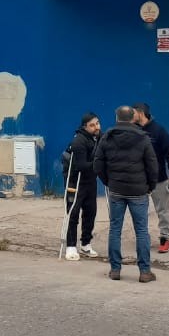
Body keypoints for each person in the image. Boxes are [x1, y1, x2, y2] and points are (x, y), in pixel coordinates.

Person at [93, 105, 159, 282]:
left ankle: (115, 270)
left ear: (117, 118)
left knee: (115, 229)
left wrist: (108, 181)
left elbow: (98, 163)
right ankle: (144, 271)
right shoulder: (143, 138)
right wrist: (150, 186)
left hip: (116, 190)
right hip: (138, 191)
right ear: (133, 118)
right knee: (142, 231)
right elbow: (152, 165)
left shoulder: (107, 137)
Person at [133, 102, 169, 254]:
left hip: (159, 179)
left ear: (140, 113)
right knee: (139, 211)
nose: (132, 115)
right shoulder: (133, 130)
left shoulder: (159, 131)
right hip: (140, 180)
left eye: (133, 112)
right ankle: (143, 238)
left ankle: (165, 238)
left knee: (163, 210)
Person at [62, 112, 101, 261]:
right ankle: (71, 246)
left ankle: (85, 244)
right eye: (92, 125)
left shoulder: (97, 137)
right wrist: (99, 164)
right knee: (73, 213)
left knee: (90, 213)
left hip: (90, 181)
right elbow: (82, 166)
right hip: (75, 181)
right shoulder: (79, 141)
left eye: (97, 123)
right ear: (85, 127)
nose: (96, 127)